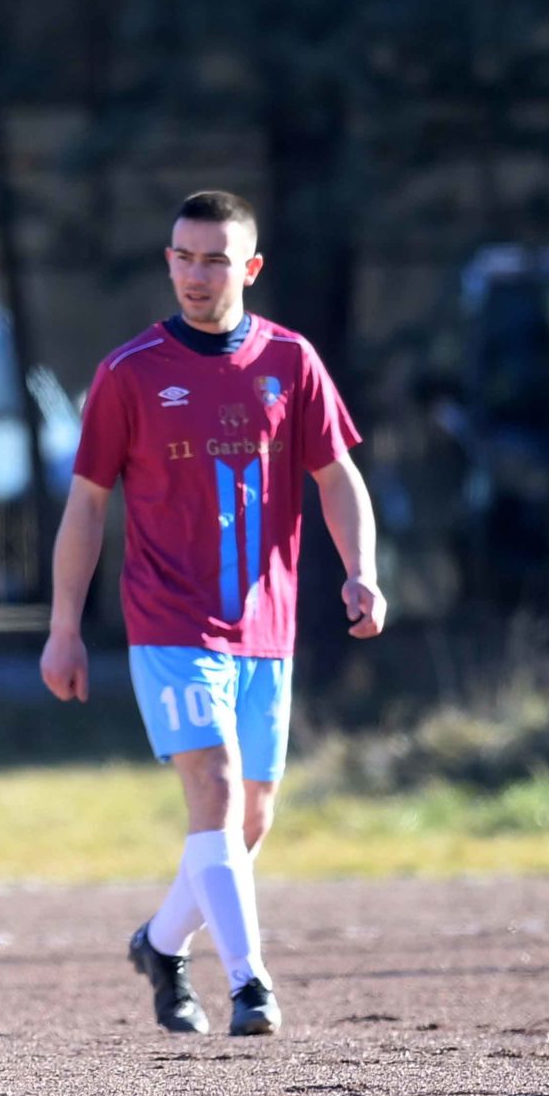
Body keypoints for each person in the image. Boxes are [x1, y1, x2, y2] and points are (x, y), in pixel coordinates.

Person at [39, 190, 386, 1038]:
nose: (197, 275)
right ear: (169, 262)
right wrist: (64, 627)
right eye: (184, 258)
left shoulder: (291, 361)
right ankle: (249, 983)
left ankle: (161, 944)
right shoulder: (129, 372)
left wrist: (362, 572)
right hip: (170, 624)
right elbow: (86, 505)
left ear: (250, 268)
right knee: (217, 787)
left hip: (266, 627)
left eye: (216, 260)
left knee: (249, 819)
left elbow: (337, 477)